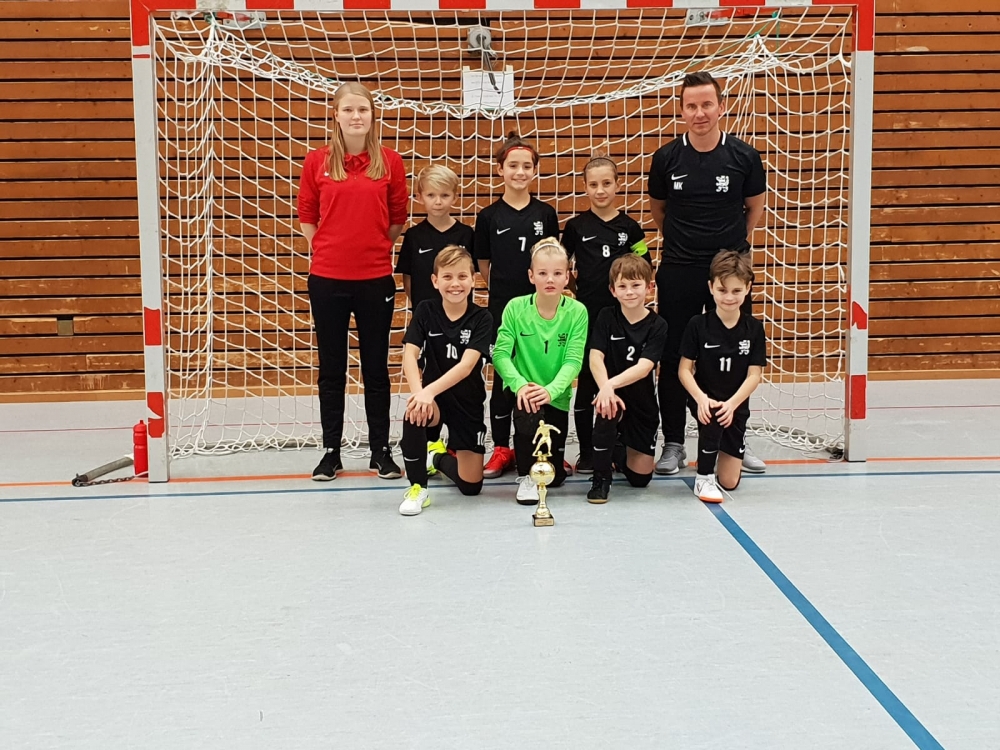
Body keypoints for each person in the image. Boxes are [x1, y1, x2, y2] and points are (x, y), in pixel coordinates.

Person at [646, 70, 767, 476]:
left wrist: (730, 251)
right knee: (674, 356)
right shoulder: (666, 158)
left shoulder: (744, 157)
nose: (700, 113)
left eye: (707, 104)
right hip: (679, 269)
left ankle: (734, 441)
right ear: (681, 111)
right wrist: (686, 244)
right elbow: (659, 211)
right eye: (691, 106)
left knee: (735, 355)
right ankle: (674, 442)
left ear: (720, 106)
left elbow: (754, 208)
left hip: (729, 272)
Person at [297, 81, 409, 481]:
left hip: (375, 280)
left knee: (376, 368)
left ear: (373, 115)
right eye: (348, 109)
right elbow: (307, 214)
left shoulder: (390, 162)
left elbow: (397, 218)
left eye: (363, 109)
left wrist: (372, 248)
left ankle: (381, 450)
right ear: (336, 115)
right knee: (332, 368)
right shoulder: (317, 162)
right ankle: (331, 451)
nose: (356, 116)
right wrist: (328, 249)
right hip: (327, 280)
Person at [474, 133, 560, 479]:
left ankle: (544, 447)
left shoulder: (546, 214)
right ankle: (501, 448)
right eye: (513, 165)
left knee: (541, 374)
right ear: (500, 169)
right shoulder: (488, 216)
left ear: (535, 171)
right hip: (502, 308)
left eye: (527, 166)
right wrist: (503, 292)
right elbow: (483, 263)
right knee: (504, 377)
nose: (520, 172)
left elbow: (552, 258)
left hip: (541, 308)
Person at [562, 156, 649, 474]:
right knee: (588, 383)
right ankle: (587, 451)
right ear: (585, 187)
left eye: (607, 183)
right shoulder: (575, 227)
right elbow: (563, 268)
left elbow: (645, 266)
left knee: (620, 380)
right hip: (587, 318)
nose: (600, 190)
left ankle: (620, 446)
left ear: (617, 185)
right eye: (594, 184)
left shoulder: (630, 227)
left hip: (623, 319)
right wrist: (576, 291)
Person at [492, 238, 588, 505]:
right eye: (543, 273)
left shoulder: (577, 312)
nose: (550, 279)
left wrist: (551, 391)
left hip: (555, 395)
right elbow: (500, 354)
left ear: (567, 277)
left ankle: (541, 462)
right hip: (525, 393)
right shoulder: (515, 308)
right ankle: (526, 476)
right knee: (528, 413)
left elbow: (573, 361)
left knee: (553, 477)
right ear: (531, 276)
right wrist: (521, 386)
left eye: (557, 273)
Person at [398, 246, 493, 515]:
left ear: (473, 280)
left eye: (462, 276)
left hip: (467, 403)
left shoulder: (482, 318)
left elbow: (466, 366)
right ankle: (418, 488)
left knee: (471, 486)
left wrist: (427, 392)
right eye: (448, 277)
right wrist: (419, 394)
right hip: (435, 402)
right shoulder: (426, 310)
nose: (455, 284)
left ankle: (437, 458)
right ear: (435, 280)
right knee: (414, 412)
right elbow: (410, 355)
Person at [678, 250, 766, 503]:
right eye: (722, 290)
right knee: (713, 413)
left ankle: (716, 451)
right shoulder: (698, 324)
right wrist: (700, 399)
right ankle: (704, 477)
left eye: (736, 291)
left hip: (735, 404)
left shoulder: (754, 328)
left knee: (729, 482)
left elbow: (754, 375)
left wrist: (733, 404)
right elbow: (684, 370)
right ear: (711, 288)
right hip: (704, 399)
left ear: (748, 288)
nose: (729, 297)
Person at [586, 254, 669, 503]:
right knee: (606, 407)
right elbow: (595, 357)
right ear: (613, 290)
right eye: (622, 286)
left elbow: (644, 367)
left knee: (640, 479)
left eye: (635, 285)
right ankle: (601, 478)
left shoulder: (658, 324)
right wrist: (606, 389)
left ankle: (618, 449)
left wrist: (610, 384)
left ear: (649, 287)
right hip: (611, 397)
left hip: (642, 404)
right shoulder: (606, 317)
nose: (629, 291)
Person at [395, 165, 475, 310]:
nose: (438, 202)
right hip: (425, 314)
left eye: (445, 195)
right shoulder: (413, 236)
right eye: (431, 195)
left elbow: (472, 275)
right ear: (420, 197)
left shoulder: (466, 234)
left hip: (461, 313)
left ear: (455, 198)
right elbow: (408, 280)